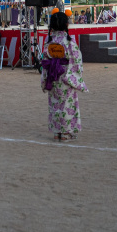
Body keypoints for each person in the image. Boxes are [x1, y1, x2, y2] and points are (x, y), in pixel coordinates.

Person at [41, 12, 88, 141]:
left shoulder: (48, 41)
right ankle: (66, 133)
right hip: (66, 74)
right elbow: (76, 59)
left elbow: (45, 59)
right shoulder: (69, 40)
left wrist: (45, 77)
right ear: (67, 24)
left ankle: (57, 132)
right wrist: (76, 74)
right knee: (67, 104)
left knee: (54, 103)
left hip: (52, 75)